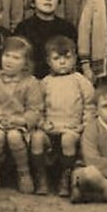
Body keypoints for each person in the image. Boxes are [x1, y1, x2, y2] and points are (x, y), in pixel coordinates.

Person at [0, 36, 46, 193]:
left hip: (19, 125)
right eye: (6, 56)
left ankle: (23, 171)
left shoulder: (31, 82)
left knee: (14, 137)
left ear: (26, 63)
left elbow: (35, 109)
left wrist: (21, 120)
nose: (9, 61)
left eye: (16, 58)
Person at [38, 35, 96, 197]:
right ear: (49, 61)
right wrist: (42, 123)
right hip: (51, 127)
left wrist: (83, 125)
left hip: (72, 128)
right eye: (57, 58)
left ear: (75, 59)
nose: (62, 62)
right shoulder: (45, 83)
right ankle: (41, 177)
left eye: (67, 57)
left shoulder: (80, 81)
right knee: (36, 138)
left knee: (68, 139)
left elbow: (90, 106)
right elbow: (38, 108)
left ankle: (66, 175)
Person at [17, 0, 78, 79]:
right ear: (33, 3)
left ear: (58, 2)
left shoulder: (67, 28)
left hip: (61, 79)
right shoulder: (24, 27)